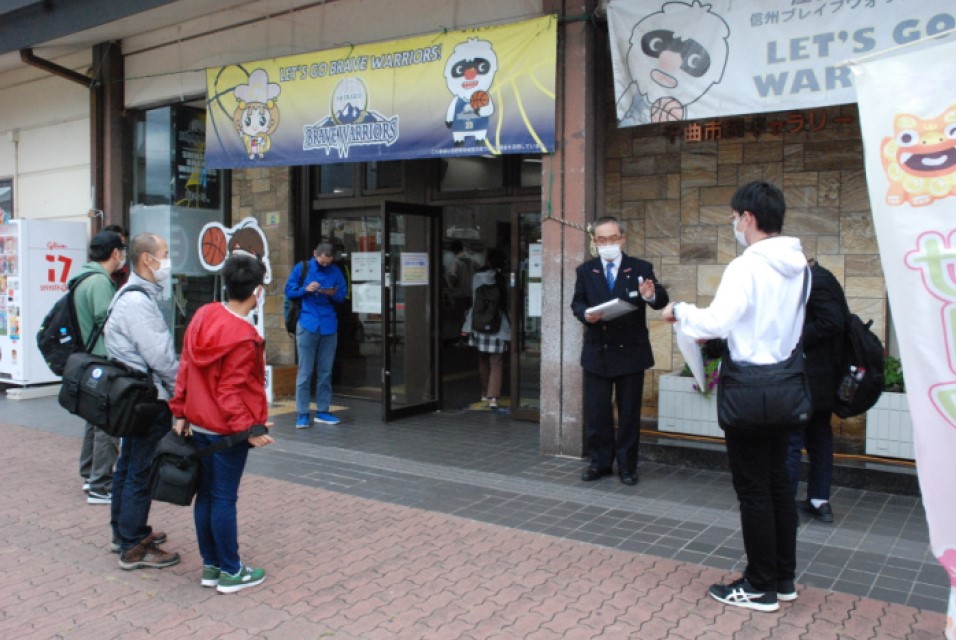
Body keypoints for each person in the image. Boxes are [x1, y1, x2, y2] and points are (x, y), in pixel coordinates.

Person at [663, 181, 806, 612]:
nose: (733, 224)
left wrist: (682, 311)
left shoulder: (746, 267)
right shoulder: (801, 266)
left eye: (734, 216)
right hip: (785, 385)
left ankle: (759, 585)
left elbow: (714, 324)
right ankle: (783, 579)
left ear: (747, 218)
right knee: (779, 483)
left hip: (748, 389)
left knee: (753, 489)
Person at [169, 253, 275, 593]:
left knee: (207, 497)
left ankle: (212, 565)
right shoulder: (244, 336)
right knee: (224, 498)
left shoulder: (204, 314)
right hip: (227, 432)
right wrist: (250, 428)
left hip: (198, 424)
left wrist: (181, 410)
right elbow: (230, 391)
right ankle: (231, 571)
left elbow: (186, 363)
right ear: (257, 291)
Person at [571, 216, 668, 486]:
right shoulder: (585, 270)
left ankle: (627, 466)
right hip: (597, 353)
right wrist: (585, 315)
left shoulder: (640, 267)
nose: (608, 244)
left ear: (623, 238)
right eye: (601, 240)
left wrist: (649, 295)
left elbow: (660, 300)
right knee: (598, 413)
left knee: (628, 415)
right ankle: (599, 462)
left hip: (630, 354)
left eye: (613, 238)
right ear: (594, 242)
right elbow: (577, 302)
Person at [105, 232, 181, 570]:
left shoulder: (130, 295)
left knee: (129, 465)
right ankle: (133, 544)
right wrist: (183, 393)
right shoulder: (137, 303)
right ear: (147, 259)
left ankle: (123, 532)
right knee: (140, 469)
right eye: (164, 253)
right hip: (147, 399)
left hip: (133, 397)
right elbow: (162, 358)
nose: (167, 260)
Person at [786, 258, 846, 523]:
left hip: (812, 377)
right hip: (820, 378)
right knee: (819, 437)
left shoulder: (817, 281)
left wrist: (795, 339)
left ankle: (785, 503)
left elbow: (832, 321)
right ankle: (819, 501)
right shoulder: (819, 278)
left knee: (792, 439)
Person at [74, 230, 125, 504]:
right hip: (102, 359)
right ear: (115, 253)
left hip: (87, 359)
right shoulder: (99, 282)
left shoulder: (82, 276)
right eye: (122, 251)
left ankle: (89, 474)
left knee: (94, 418)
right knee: (107, 422)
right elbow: (108, 322)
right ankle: (100, 485)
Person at [285, 242, 348, 428]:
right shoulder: (302, 267)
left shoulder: (336, 271)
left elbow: (342, 295)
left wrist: (331, 293)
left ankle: (323, 411)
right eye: (322, 262)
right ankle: (302, 413)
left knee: (326, 372)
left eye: (328, 262)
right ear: (315, 254)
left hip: (329, 324)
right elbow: (288, 291)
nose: (325, 265)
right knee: (305, 372)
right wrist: (306, 289)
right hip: (307, 323)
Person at [461, 248, 510, 408]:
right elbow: (506, 305)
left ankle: (483, 393)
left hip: (479, 324)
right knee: (496, 362)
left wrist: (467, 325)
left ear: (488, 261)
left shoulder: (477, 277)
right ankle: (493, 397)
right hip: (498, 326)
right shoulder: (503, 279)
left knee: (482, 360)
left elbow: (474, 303)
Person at [104, 224, 130, 288]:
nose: (123, 250)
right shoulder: (99, 277)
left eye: (124, 244)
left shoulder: (121, 272)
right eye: (120, 245)